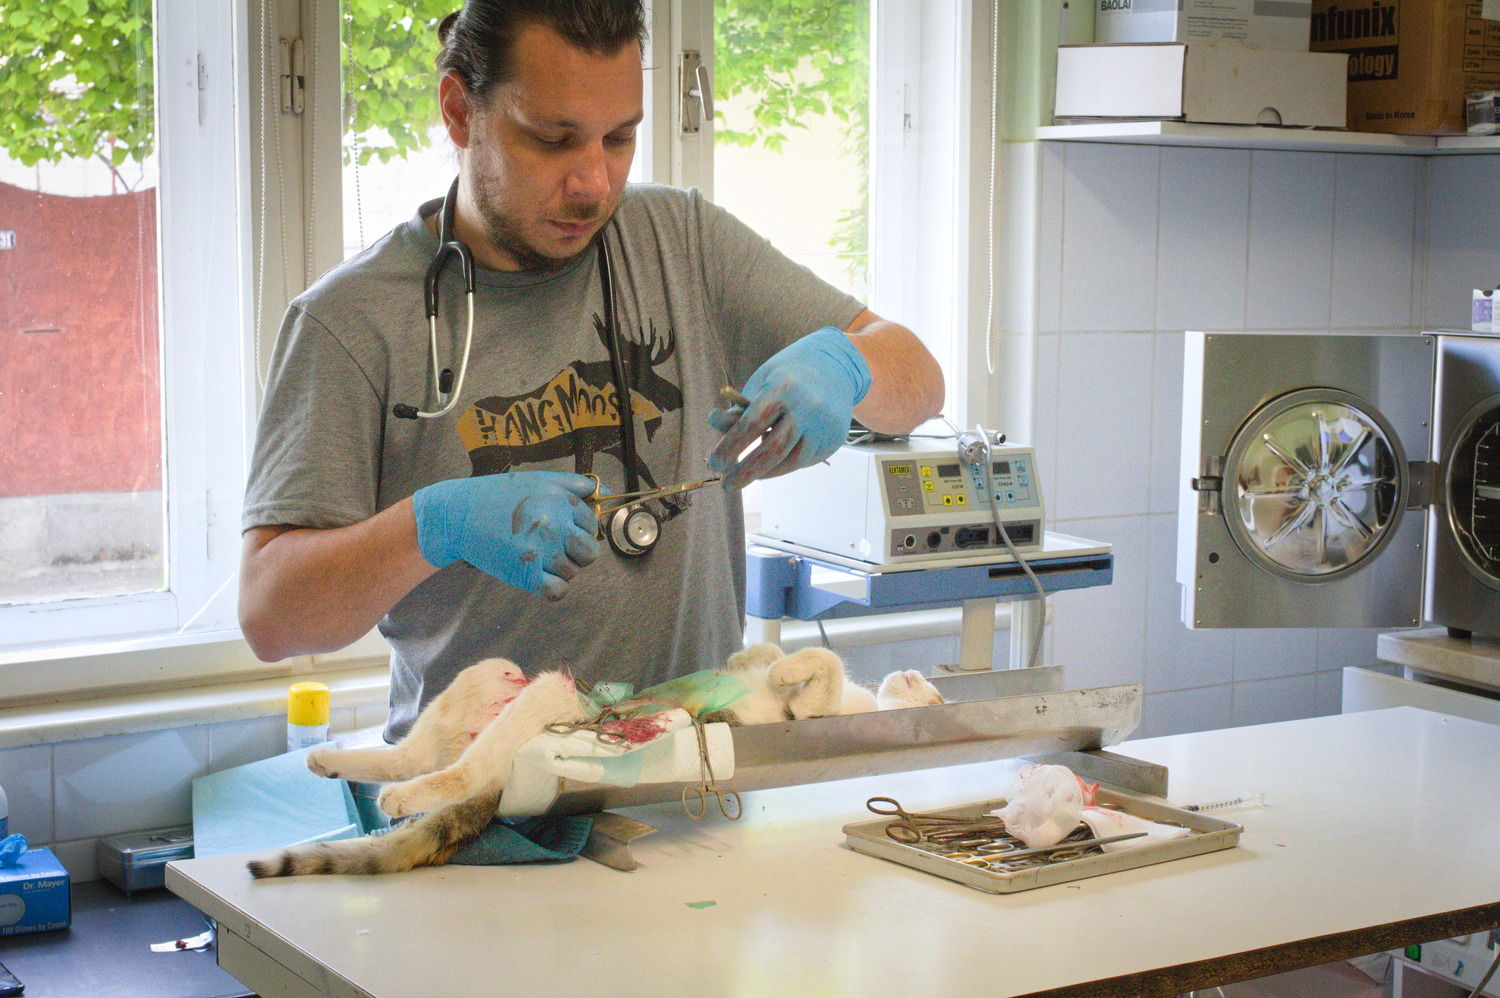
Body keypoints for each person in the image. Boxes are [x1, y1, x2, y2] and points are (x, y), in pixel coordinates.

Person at [238, 0, 944, 741]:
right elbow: (270, 617)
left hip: (692, 792)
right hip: (481, 815)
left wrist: (848, 363)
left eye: (620, 138)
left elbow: (920, 380)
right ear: (458, 112)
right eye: (552, 139)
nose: (593, 184)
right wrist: (432, 526)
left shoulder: (683, 244)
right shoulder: (354, 321)